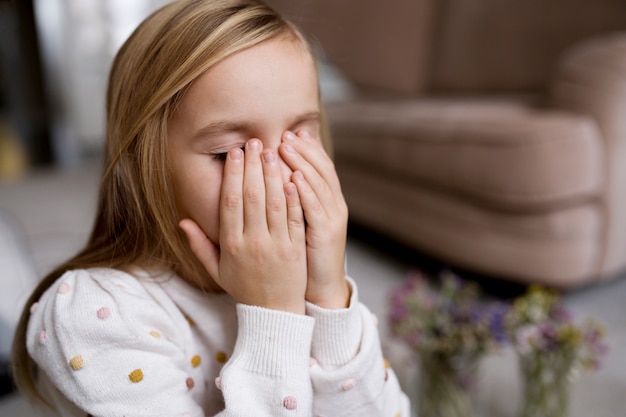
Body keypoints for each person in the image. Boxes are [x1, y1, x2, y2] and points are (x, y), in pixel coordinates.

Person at [11, 0, 411, 415]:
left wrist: (329, 299)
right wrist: (273, 315)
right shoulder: (96, 315)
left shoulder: (312, 281)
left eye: (299, 139)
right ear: (146, 165)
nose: (275, 178)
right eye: (231, 152)